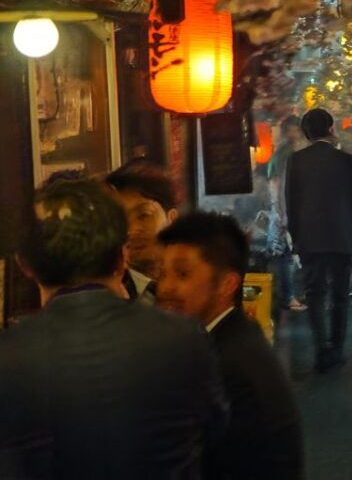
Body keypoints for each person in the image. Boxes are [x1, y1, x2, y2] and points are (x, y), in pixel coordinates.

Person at [0, 180, 227, 477]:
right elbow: (217, 438)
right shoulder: (183, 338)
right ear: (122, 258)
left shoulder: (8, 358)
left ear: (25, 265)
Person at [156, 212, 303, 479]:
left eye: (182, 274)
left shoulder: (224, 364)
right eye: (161, 273)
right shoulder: (235, 338)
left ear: (227, 284)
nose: (165, 287)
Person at [285, 108, 352, 372]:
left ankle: (321, 349)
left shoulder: (295, 161)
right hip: (341, 237)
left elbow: (292, 203)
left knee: (315, 293)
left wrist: (296, 238)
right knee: (340, 295)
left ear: (306, 133)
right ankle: (337, 349)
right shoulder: (347, 161)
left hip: (310, 238)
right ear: (331, 129)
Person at [106, 158, 179, 303]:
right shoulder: (109, 295)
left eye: (143, 215)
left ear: (172, 219)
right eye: (121, 219)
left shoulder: (197, 286)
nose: (131, 230)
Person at [268, 115, 306, 312]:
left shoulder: (284, 152)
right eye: (295, 129)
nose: (298, 134)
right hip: (284, 211)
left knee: (288, 255)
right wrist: (282, 213)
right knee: (287, 256)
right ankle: (288, 297)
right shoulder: (285, 154)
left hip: (286, 210)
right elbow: (279, 185)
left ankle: (291, 295)